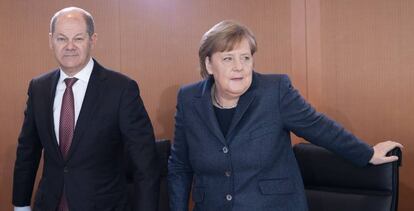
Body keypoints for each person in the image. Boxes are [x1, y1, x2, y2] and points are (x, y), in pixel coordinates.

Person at [167, 20, 403, 211]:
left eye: (245, 57)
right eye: (228, 58)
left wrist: (367, 153)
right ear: (208, 65)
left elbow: (318, 127)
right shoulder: (189, 100)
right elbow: (179, 166)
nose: (239, 66)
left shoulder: (274, 91)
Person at [12, 7, 160, 211]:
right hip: (48, 204)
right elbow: (27, 150)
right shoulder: (39, 88)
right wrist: (21, 205)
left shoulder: (121, 89)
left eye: (78, 38)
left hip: (104, 205)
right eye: (61, 39)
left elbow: (145, 162)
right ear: (51, 40)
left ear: (93, 40)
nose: (69, 46)